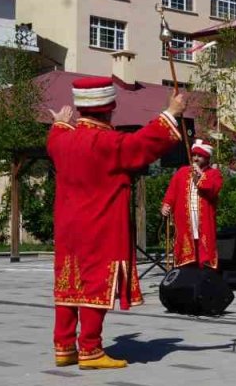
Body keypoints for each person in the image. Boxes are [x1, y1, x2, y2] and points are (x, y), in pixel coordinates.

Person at [49, 76, 187, 369]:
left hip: (67, 227)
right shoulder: (109, 142)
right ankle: (90, 349)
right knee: (95, 282)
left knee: (68, 282)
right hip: (99, 225)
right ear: (108, 109)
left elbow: (55, 135)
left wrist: (60, 123)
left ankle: (63, 346)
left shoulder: (61, 140)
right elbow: (143, 144)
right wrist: (171, 113)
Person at [161, 139, 224, 270]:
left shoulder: (214, 174)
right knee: (186, 238)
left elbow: (213, 190)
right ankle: (187, 267)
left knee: (202, 240)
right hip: (185, 216)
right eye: (194, 155)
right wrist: (166, 204)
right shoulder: (182, 172)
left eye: (199, 156)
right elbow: (172, 191)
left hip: (203, 217)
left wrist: (201, 176)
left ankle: (204, 268)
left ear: (206, 157)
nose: (195, 158)